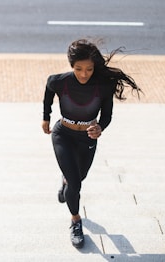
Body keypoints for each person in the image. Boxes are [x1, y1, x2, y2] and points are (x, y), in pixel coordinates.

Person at [41, 38, 141, 248]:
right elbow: (49, 90)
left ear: (95, 67)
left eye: (88, 69)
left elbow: (107, 115)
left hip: (87, 137)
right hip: (63, 134)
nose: (84, 74)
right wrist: (46, 117)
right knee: (75, 184)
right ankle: (76, 221)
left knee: (79, 177)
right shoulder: (60, 81)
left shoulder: (103, 86)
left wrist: (100, 128)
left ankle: (67, 181)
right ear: (71, 66)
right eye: (79, 69)